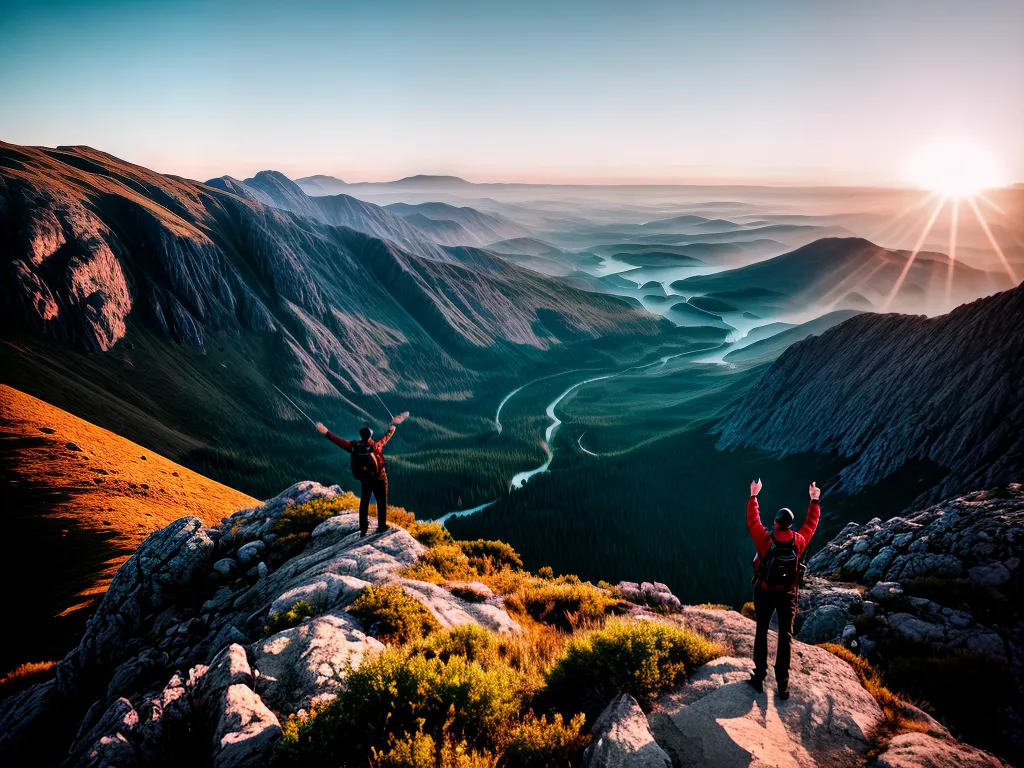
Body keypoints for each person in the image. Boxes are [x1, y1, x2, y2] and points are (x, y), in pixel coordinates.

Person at [746, 478, 821, 699]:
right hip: (787, 594)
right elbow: (811, 525)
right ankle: (783, 685)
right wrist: (814, 501)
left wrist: (753, 496)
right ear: (790, 524)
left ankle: (759, 677)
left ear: (776, 522)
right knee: (785, 636)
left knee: (761, 631)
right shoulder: (798, 541)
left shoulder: (765, 540)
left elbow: (753, 520)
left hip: (765, 590)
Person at [315, 412, 408, 537]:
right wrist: (392, 427)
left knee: (364, 502)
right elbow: (386, 437)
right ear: (370, 435)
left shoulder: (354, 447)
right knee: (381, 502)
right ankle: (381, 526)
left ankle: (363, 529)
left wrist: (325, 432)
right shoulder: (375, 446)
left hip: (365, 479)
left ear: (361, 436)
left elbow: (337, 440)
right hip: (380, 477)